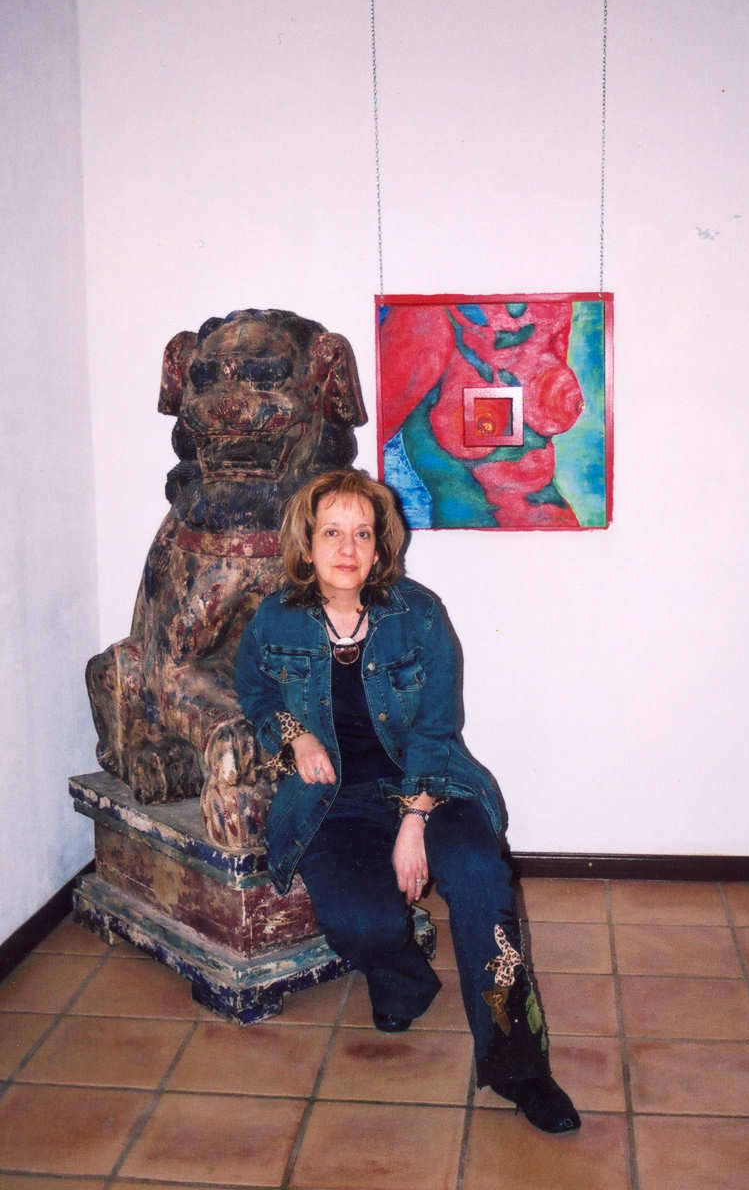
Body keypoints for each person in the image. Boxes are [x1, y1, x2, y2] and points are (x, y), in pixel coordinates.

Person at [235, 468, 580, 1134]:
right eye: (332, 533)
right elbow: (256, 692)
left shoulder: (417, 614)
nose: (348, 548)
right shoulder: (274, 619)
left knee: (478, 878)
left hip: (431, 785)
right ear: (306, 543)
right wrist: (293, 734)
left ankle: (521, 1069)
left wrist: (414, 820)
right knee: (359, 924)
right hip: (334, 801)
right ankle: (404, 980)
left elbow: (436, 725)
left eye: (363, 534)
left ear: (380, 545)